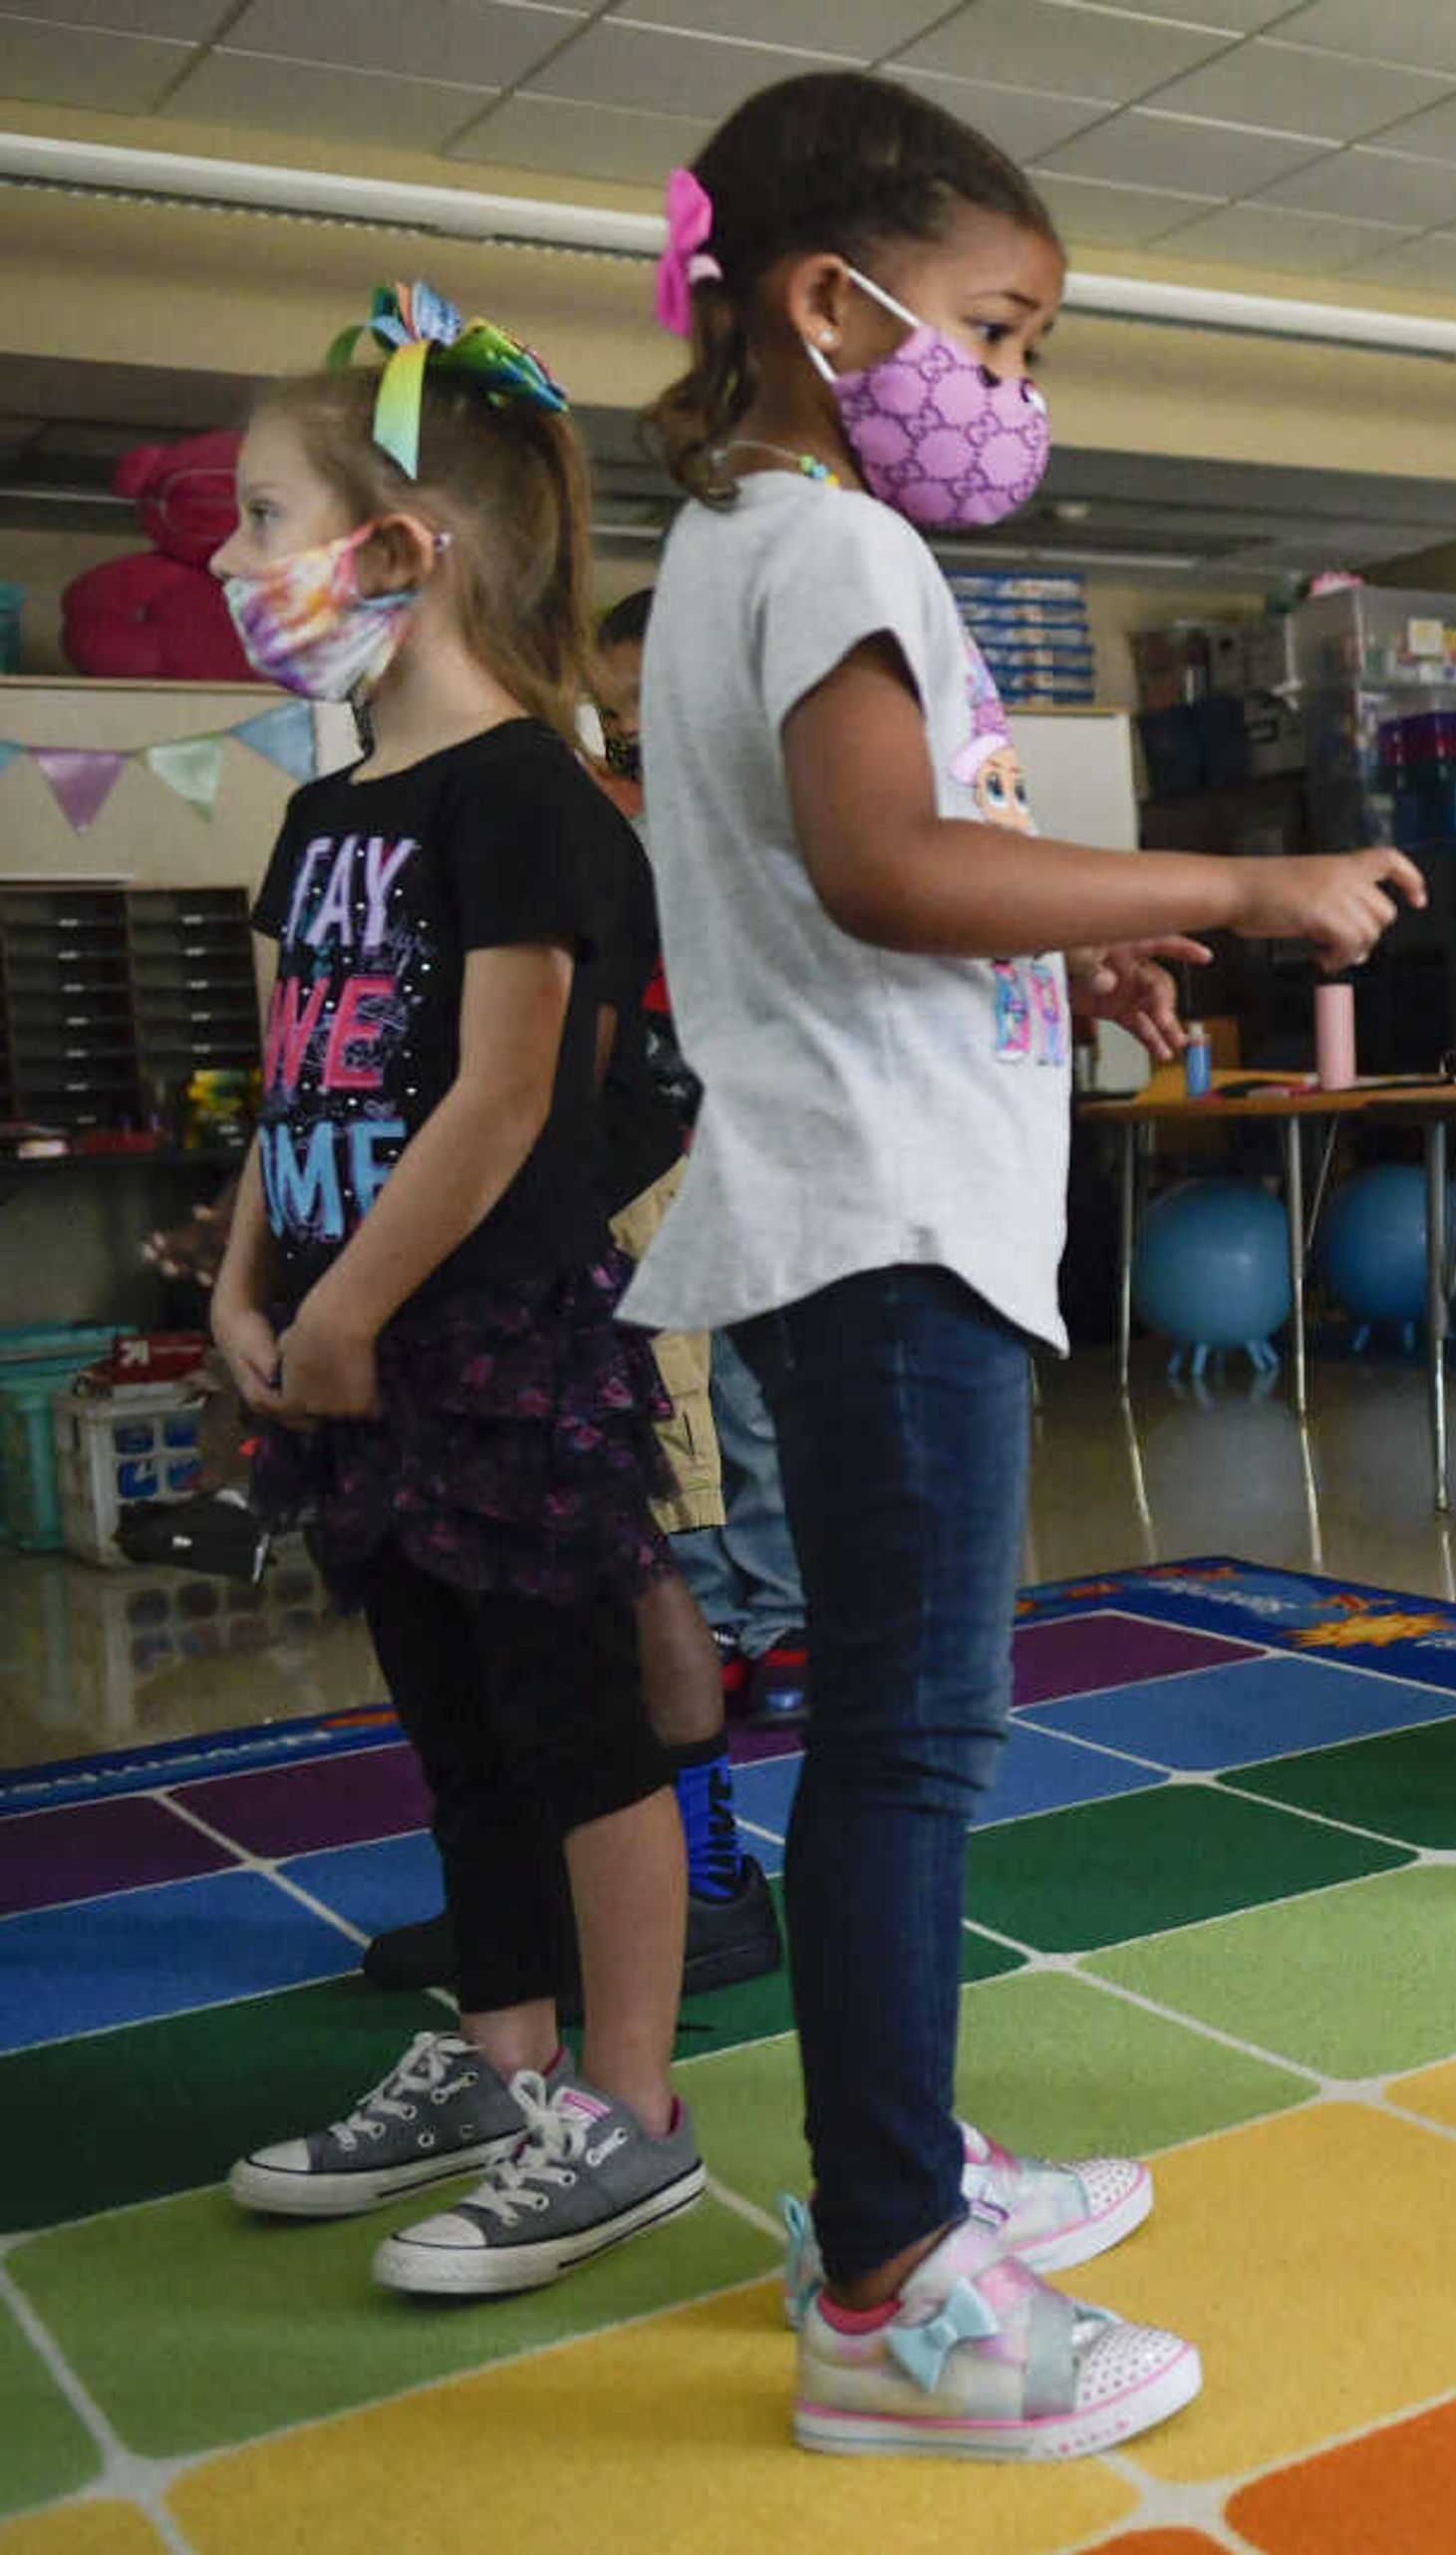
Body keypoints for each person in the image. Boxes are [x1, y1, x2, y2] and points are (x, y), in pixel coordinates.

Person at [630, 71, 1419, 2457]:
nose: (1019, 392)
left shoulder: (742, 547)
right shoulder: (837, 550)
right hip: (883, 1228)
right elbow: (883, 866)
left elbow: (871, 883)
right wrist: (1223, 888)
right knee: (909, 1741)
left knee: (900, 1728)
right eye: (999, 329)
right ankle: (883, 2286)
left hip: (864, 1202)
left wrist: (1059, 961)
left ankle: (897, 2166)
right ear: (826, 302)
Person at [208, 284, 707, 2292]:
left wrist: (347, 1315)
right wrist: (256, 1290)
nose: (235, 563)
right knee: (458, 1732)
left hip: (490, 1350)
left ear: (393, 553)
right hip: (344, 1350)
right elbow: (296, 1071)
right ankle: (501, 2061)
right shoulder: (330, 810)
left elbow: (504, 1102)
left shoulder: (529, 805)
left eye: (260, 518)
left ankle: (633, 2106)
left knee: (579, 1730)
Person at [355, 581, 785, 2003]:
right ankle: (530, 1894)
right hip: (513, 1223)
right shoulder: (432, 795)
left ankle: (711, 1878)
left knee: (641, 1546)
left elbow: (567, 1062)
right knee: (516, 1569)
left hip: (603, 1206)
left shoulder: (586, 804)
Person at [603, 587, 816, 1723]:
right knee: (663, 1401)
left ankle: (783, 1614)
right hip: (639, 1156)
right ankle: (712, 1612)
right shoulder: (613, 828)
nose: (631, 730)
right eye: (613, 714)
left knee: (745, 1396)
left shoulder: (771, 814)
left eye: (648, 703)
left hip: (748, 1148)